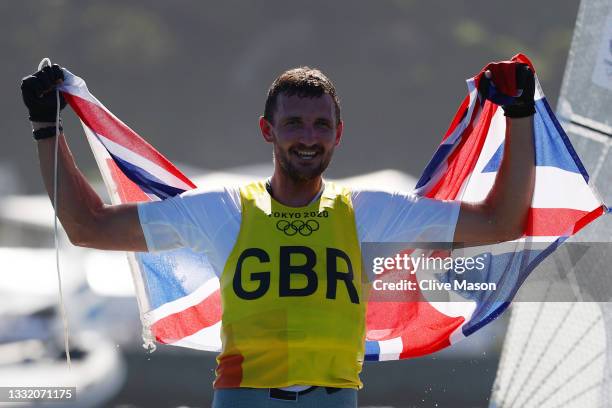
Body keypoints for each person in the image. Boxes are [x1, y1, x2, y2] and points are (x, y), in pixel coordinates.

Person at [21, 63, 536, 407]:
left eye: (319, 124)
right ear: (268, 131)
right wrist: (47, 129)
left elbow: (501, 221)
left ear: (338, 132)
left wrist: (519, 114)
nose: (307, 138)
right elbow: (87, 226)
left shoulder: (371, 212)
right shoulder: (221, 210)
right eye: (294, 124)